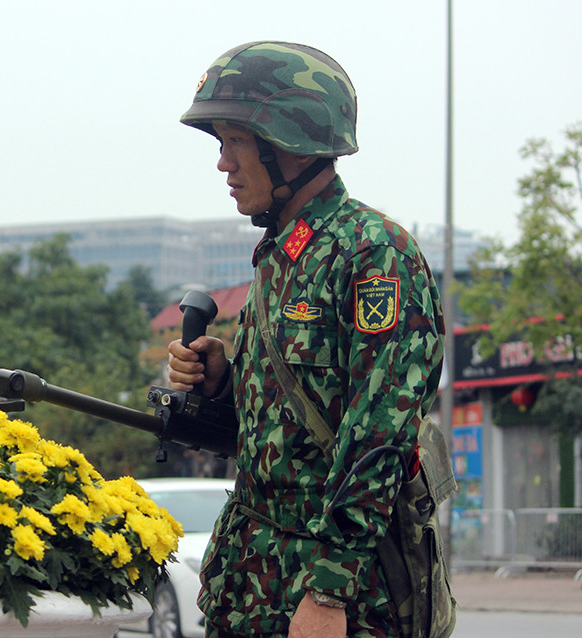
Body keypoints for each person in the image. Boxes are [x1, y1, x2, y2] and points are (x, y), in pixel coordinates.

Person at [166, 41, 446, 638]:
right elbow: (277, 439)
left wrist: (329, 593)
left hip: (339, 597)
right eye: (221, 145)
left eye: (235, 143)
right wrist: (224, 383)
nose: (223, 164)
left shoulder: (374, 253)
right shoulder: (280, 257)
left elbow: (381, 435)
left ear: (287, 144)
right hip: (252, 583)